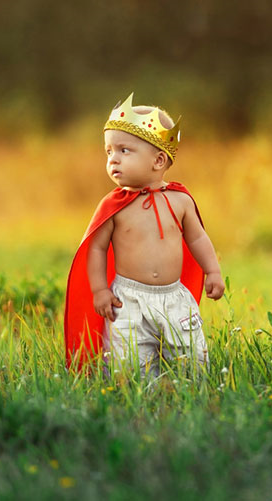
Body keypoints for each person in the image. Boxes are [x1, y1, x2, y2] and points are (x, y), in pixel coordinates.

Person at [64, 92, 225, 378]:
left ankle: (189, 397)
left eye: (124, 150)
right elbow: (96, 249)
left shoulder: (180, 200)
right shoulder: (113, 206)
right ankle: (139, 400)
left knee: (192, 361)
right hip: (128, 299)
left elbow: (198, 239)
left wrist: (212, 271)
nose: (113, 159)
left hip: (175, 297)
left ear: (159, 160)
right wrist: (100, 290)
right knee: (128, 365)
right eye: (109, 151)